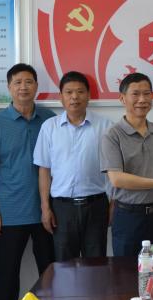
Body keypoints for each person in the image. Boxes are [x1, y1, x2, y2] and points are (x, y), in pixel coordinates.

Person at [0, 63, 56, 300]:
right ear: (9, 87)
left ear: (36, 86)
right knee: (6, 275)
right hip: (9, 212)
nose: (23, 87)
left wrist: (49, 207)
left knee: (50, 273)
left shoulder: (49, 119)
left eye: (29, 81)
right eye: (17, 82)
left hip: (46, 211)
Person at [33, 71, 112, 261]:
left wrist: (113, 205)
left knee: (96, 265)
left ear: (89, 95)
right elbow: (44, 170)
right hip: (62, 208)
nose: (74, 97)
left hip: (96, 205)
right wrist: (45, 208)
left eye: (80, 91)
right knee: (64, 265)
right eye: (68, 92)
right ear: (61, 97)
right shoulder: (49, 127)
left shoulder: (106, 127)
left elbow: (114, 170)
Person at [101, 72, 153, 256]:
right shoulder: (112, 135)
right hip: (128, 217)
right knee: (126, 270)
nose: (142, 99)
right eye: (135, 94)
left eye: (147, 94)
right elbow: (117, 179)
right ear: (122, 98)